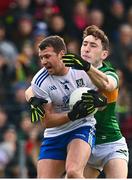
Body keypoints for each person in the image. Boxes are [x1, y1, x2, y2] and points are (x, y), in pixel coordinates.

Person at [25, 35, 107, 178]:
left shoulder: (83, 69)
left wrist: (101, 101)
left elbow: (103, 97)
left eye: (47, 56)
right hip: (55, 134)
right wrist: (71, 115)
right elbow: (47, 121)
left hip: (82, 127)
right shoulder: (40, 81)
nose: (43, 62)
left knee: (73, 172)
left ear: (62, 54)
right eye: (41, 57)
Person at [62, 25, 129, 178]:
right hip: (83, 144)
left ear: (104, 54)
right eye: (84, 44)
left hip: (110, 143)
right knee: (72, 175)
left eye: (93, 45)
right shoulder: (69, 74)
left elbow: (108, 85)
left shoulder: (110, 73)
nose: (86, 48)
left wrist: (87, 67)